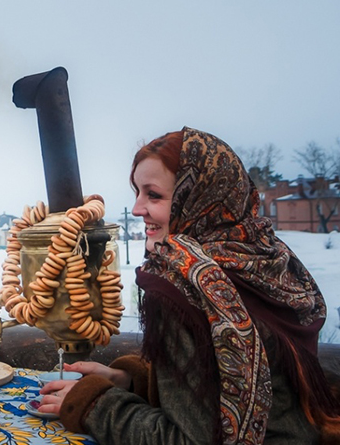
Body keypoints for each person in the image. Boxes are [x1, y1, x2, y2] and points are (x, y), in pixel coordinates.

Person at [39, 127, 340, 444]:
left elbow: (188, 440)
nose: (138, 209)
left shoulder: (183, 288)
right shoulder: (268, 258)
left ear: (198, 198)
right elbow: (221, 380)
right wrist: (131, 380)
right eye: (137, 193)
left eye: (153, 194)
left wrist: (93, 403)